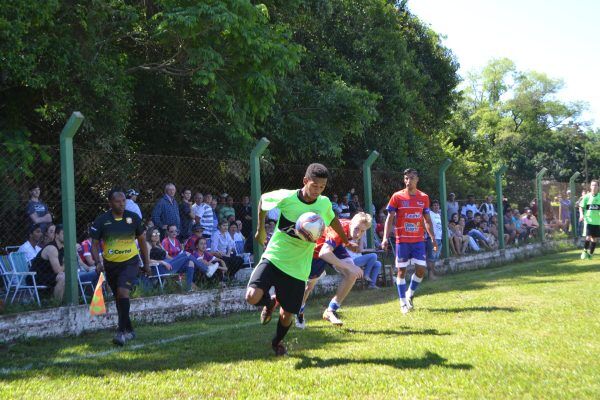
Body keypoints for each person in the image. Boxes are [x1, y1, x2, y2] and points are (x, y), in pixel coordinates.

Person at [245, 163, 357, 356]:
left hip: (298, 267)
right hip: (275, 256)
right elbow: (263, 201)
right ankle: (269, 303)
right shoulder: (287, 197)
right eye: (314, 186)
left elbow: (332, 220)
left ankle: (277, 342)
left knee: (288, 313)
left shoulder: (323, 203)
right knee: (251, 296)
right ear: (305, 181)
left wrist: (346, 241)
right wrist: (260, 229)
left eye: (322, 187)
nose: (318, 191)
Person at [91, 189, 150, 346]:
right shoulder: (102, 220)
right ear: (110, 203)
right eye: (118, 201)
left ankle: (120, 332)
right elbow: (95, 244)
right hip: (110, 264)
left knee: (123, 292)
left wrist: (147, 264)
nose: (122, 203)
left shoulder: (133, 218)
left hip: (130, 262)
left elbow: (143, 242)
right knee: (119, 298)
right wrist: (98, 262)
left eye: (124, 200)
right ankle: (130, 330)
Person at [296, 212, 369, 329]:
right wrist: (349, 266)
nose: (358, 233)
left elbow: (347, 242)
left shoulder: (355, 227)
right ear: (351, 224)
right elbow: (324, 253)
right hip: (317, 252)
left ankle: (331, 310)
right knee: (308, 287)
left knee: (352, 274)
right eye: (356, 229)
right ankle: (299, 310)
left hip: (335, 248)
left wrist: (349, 244)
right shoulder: (338, 230)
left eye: (362, 231)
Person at [381, 168, 437, 314]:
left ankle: (410, 293)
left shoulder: (424, 197)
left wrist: (432, 237)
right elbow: (389, 218)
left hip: (419, 240)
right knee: (401, 271)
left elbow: (428, 220)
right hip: (402, 241)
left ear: (417, 180)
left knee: (421, 270)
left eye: (411, 178)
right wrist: (385, 238)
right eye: (406, 178)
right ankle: (402, 303)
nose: (408, 181)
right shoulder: (397, 197)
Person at [30, 224, 65, 301]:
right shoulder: (52, 248)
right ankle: (56, 304)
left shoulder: (62, 248)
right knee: (62, 277)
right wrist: (66, 263)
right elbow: (58, 270)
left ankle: (64, 301)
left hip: (49, 275)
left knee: (68, 275)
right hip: (36, 277)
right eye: (63, 233)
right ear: (57, 235)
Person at [579, 179, 600, 260]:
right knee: (588, 237)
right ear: (590, 187)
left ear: (598, 187)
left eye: (596, 185)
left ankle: (590, 254)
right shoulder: (587, 196)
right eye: (592, 185)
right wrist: (581, 215)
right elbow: (581, 206)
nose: (594, 187)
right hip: (588, 221)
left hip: (597, 221)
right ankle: (584, 251)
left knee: (594, 239)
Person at [425, 200, 443, 280]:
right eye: (434, 205)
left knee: (435, 258)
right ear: (431, 207)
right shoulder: (430, 214)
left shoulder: (438, 215)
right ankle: (430, 275)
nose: (436, 206)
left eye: (437, 205)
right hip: (432, 239)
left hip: (439, 239)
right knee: (431, 257)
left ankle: (433, 273)